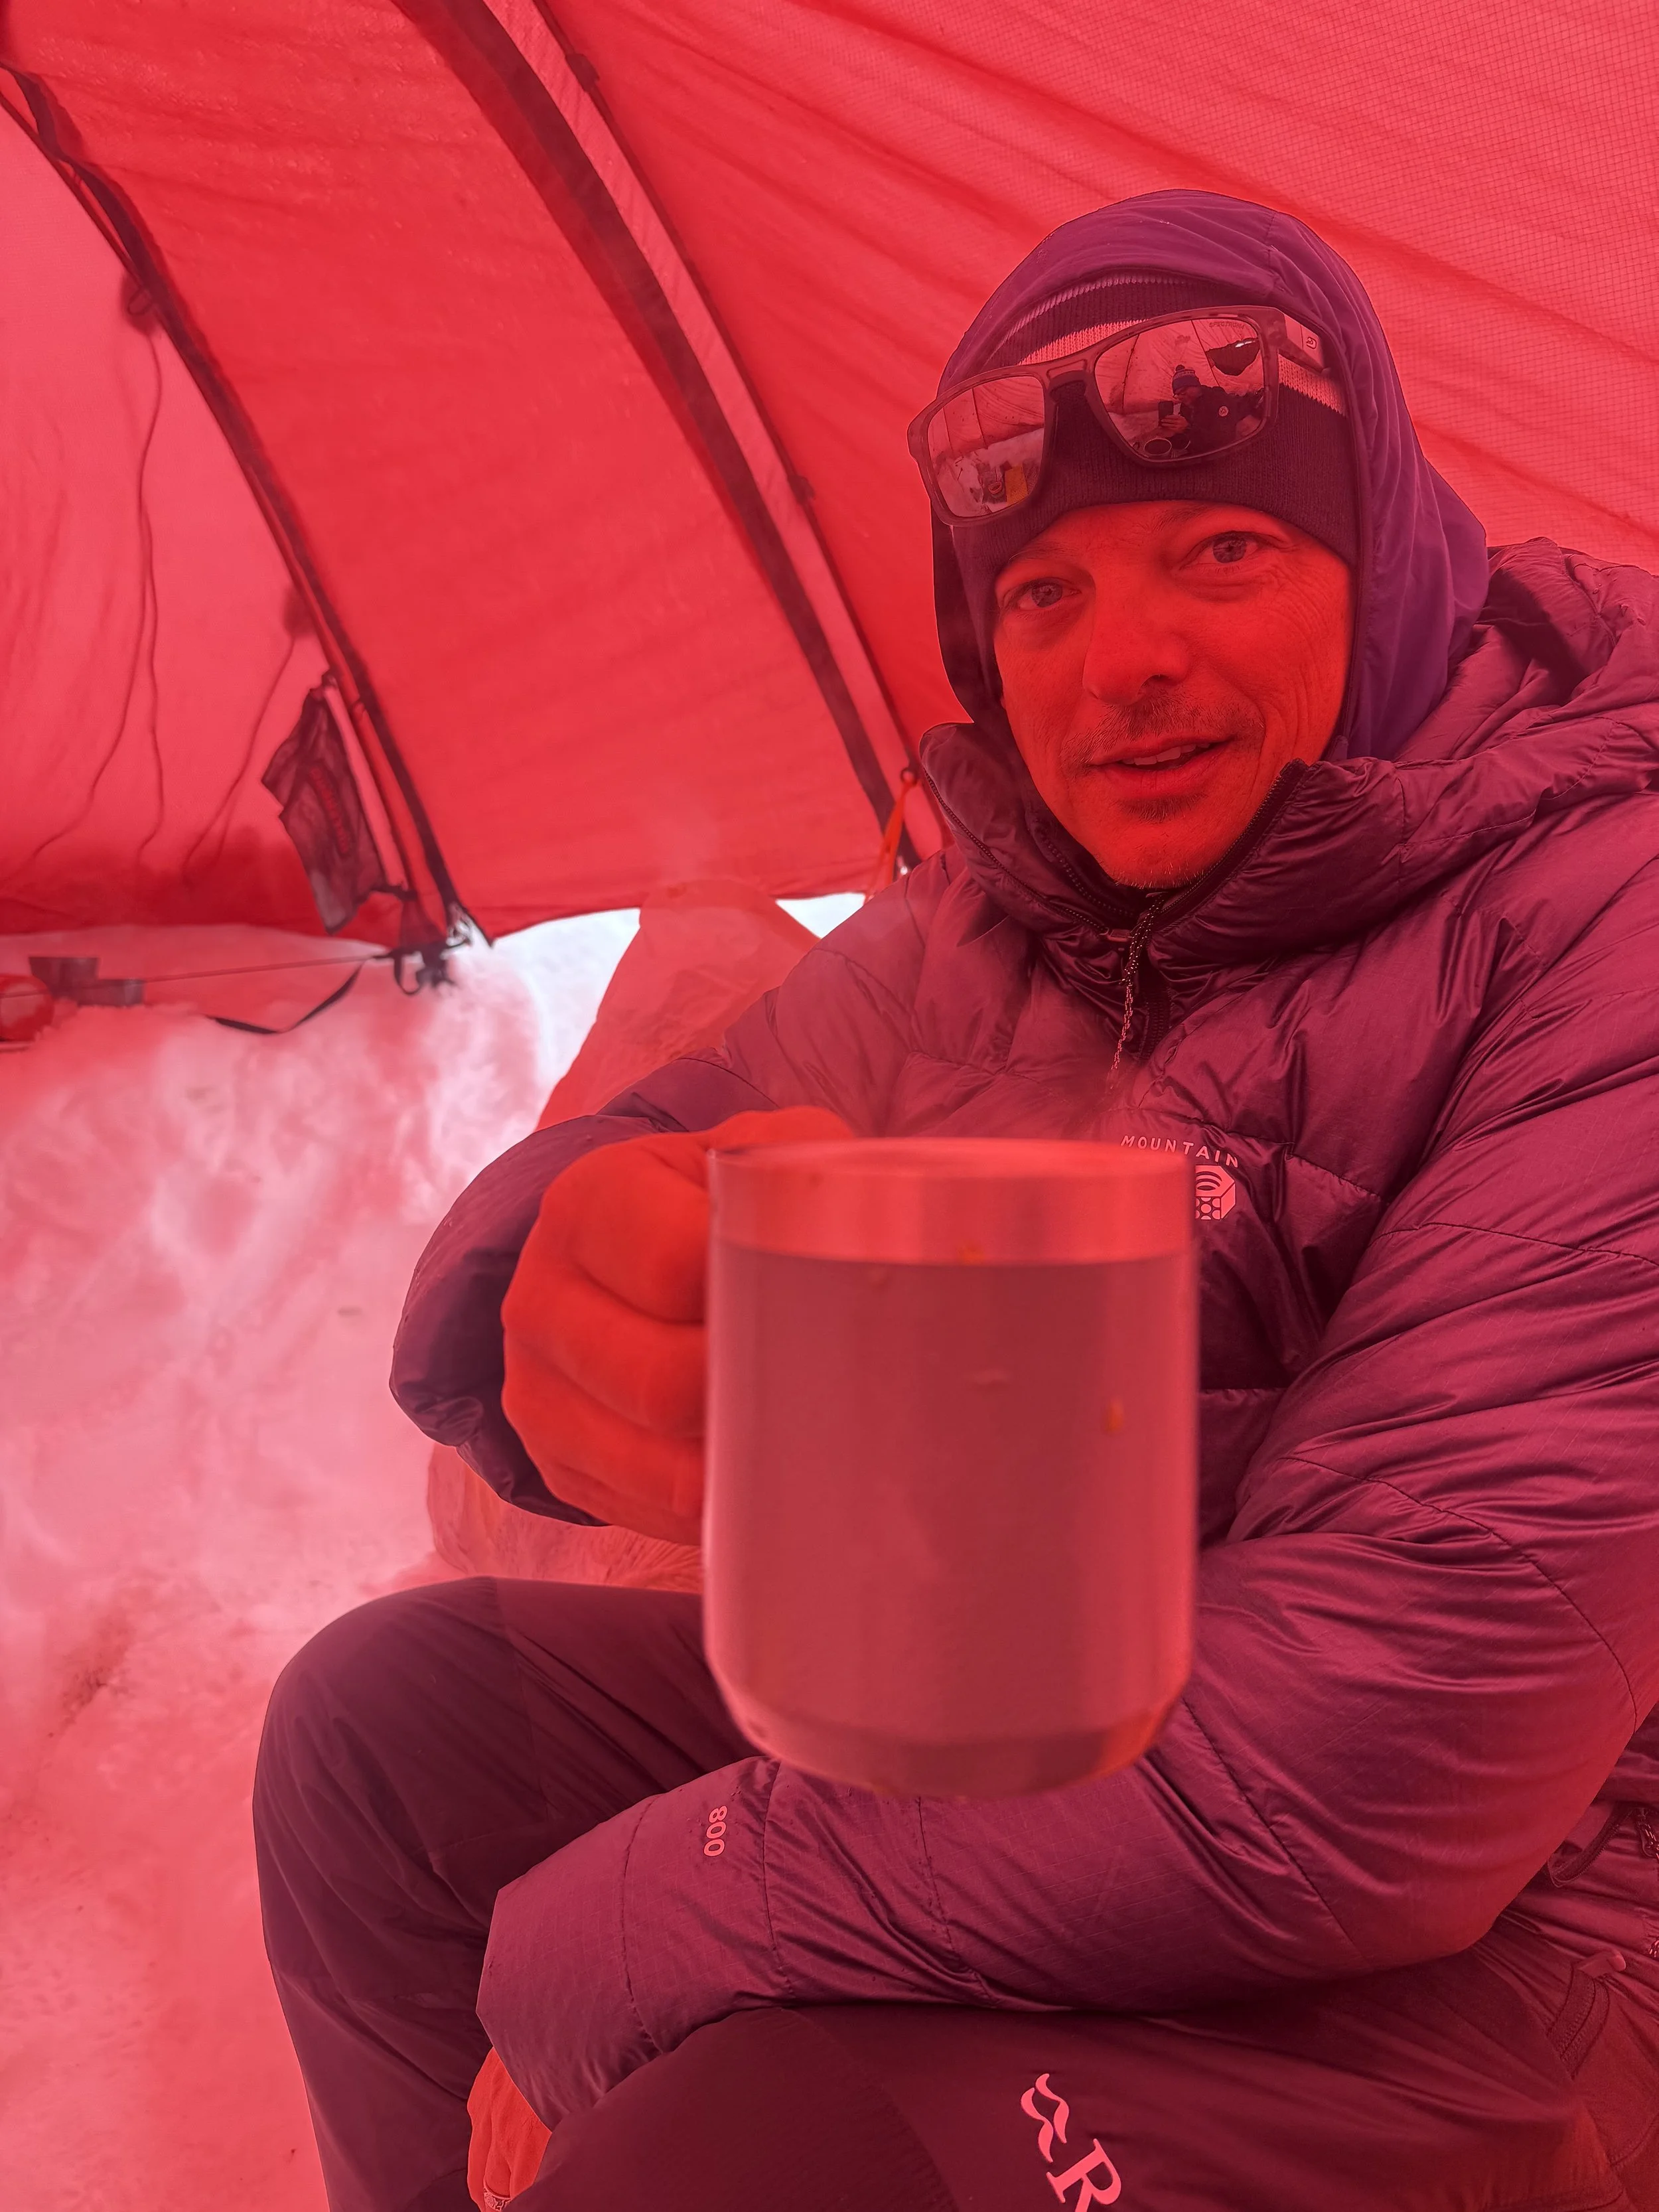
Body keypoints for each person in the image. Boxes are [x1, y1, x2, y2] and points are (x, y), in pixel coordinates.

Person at [253, 190, 1659, 2211]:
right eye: (1044, 599)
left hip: (1542, 1927)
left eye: (1223, 551)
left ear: (1394, 558)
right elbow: (615, 1170)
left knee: (748, 2155)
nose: (1126, 663)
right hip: (1074, 1724)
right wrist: (555, 1274)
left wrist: (593, 1959)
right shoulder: (1014, 915)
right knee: (389, 1737)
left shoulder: (1601, 915)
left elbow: (1363, 1771)